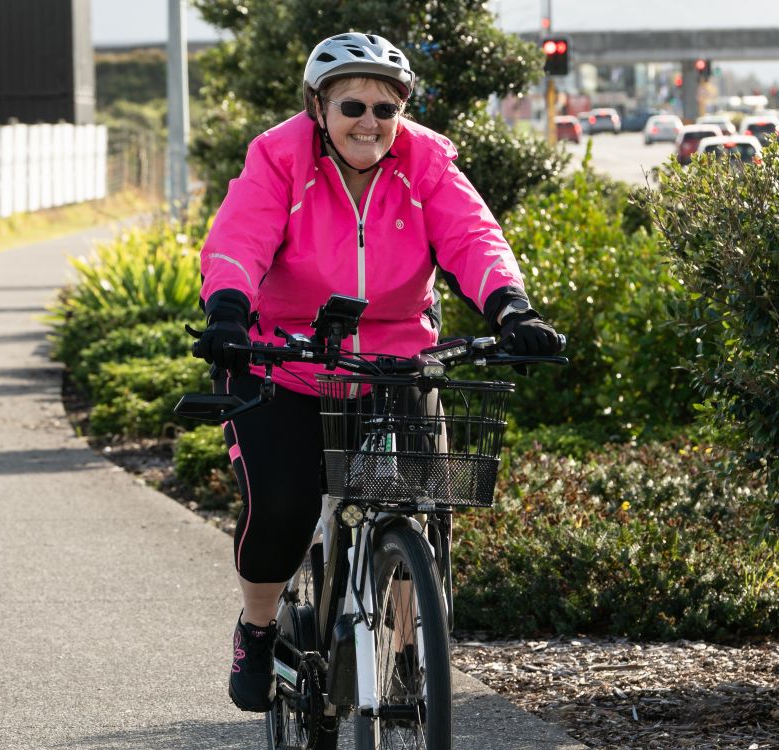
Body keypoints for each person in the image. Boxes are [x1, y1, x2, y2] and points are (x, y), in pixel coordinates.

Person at [191, 31, 563, 713]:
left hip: (396, 365)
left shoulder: (426, 161)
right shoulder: (279, 158)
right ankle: (259, 626)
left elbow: (471, 234)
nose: (369, 122)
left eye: (385, 109)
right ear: (319, 108)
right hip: (287, 361)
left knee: (421, 498)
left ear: (402, 113)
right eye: (352, 106)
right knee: (283, 505)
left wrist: (511, 308)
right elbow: (240, 238)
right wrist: (227, 312)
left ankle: (401, 650)